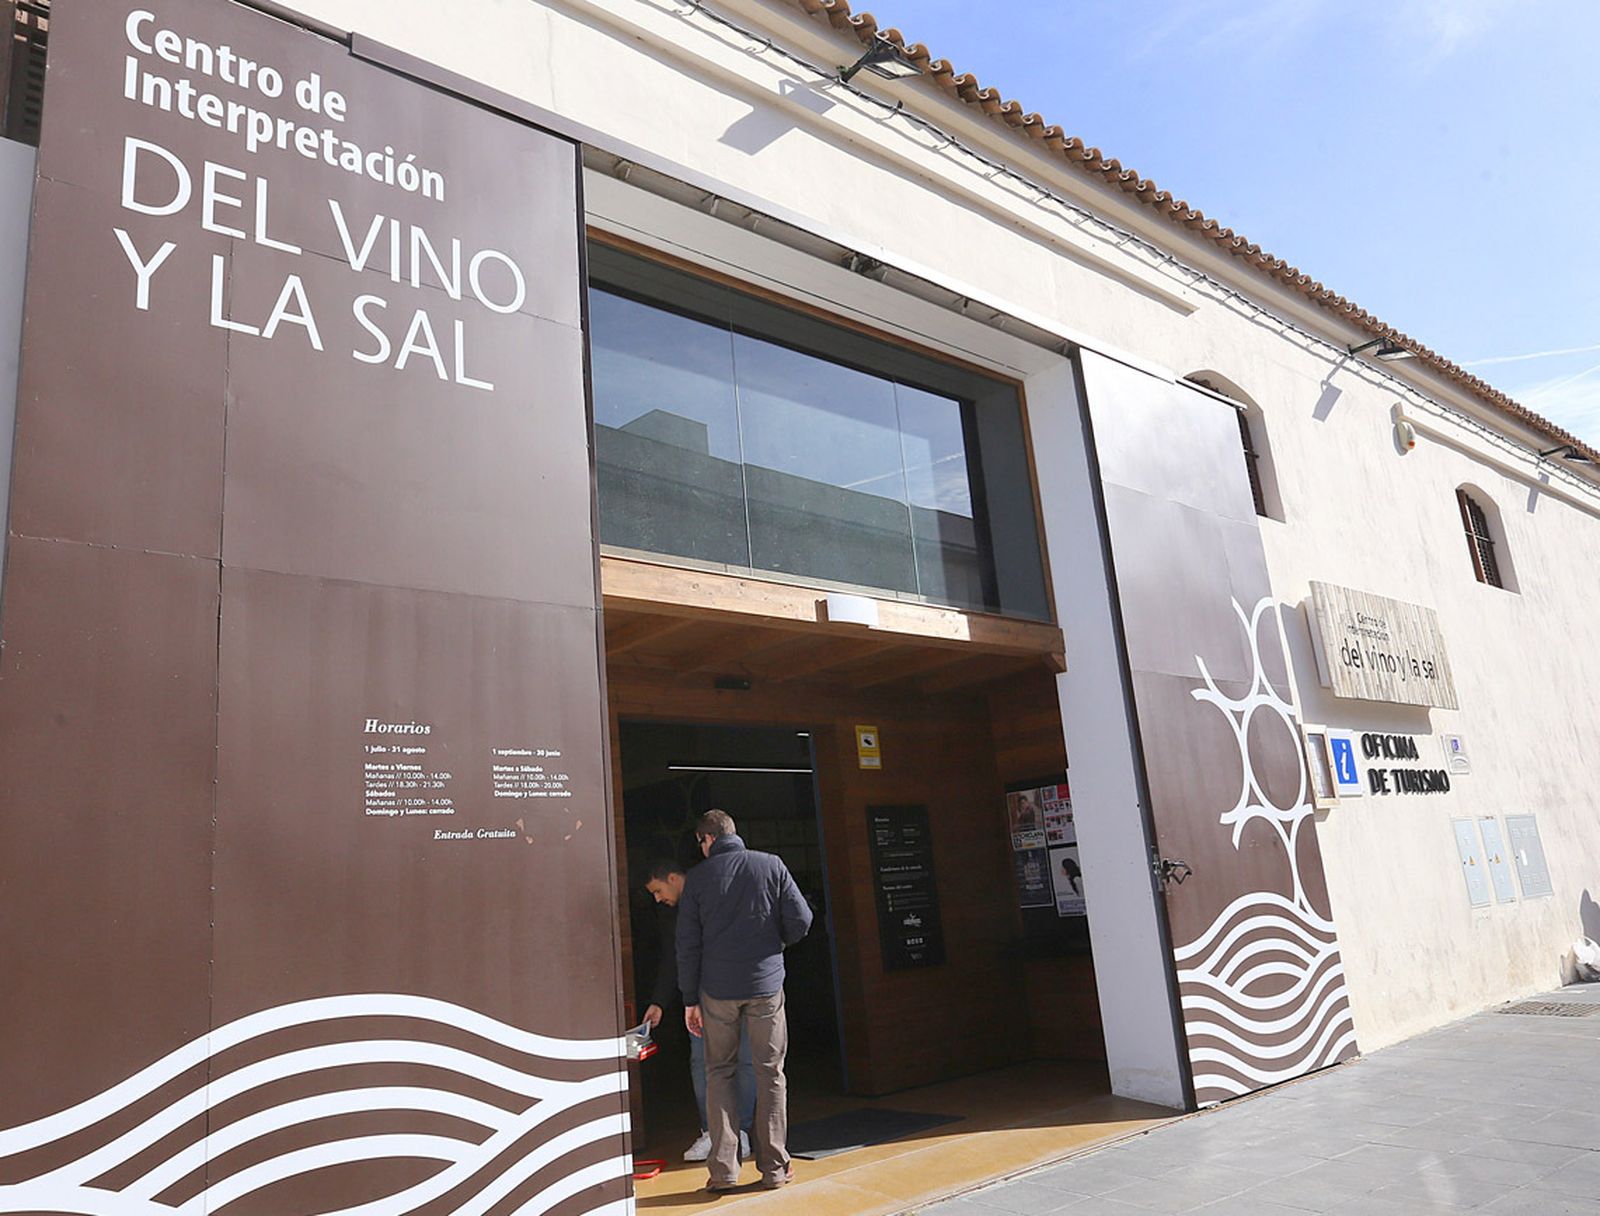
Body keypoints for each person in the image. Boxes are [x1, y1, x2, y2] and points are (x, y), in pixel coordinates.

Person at [677, 809, 813, 1192]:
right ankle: (774, 1169)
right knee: (771, 1072)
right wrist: (775, 944)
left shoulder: (699, 879)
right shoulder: (770, 865)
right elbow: (801, 920)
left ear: (707, 839)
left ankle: (723, 1171)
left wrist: (690, 998)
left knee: (719, 1072)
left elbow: (686, 945)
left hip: (717, 990)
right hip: (766, 987)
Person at [642, 858, 754, 1162]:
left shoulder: (716, 892)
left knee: (743, 1060)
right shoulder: (671, 914)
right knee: (702, 1062)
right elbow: (672, 958)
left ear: (674, 877)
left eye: (658, 890)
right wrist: (660, 1001)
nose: (657, 898)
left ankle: (741, 1133)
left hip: (735, 989)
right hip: (700, 998)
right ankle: (711, 1132)